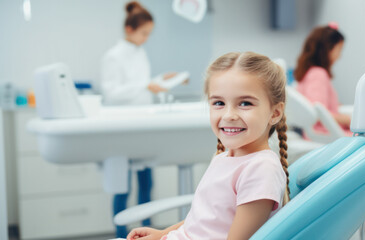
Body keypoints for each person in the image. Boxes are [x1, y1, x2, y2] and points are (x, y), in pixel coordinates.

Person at [127, 52, 290, 240]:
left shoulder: (261, 169)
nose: (229, 115)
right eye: (219, 103)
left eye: (245, 103)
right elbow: (204, 220)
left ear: (275, 113)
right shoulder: (224, 158)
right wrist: (164, 233)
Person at [100, 1, 176, 238]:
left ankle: (147, 232)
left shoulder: (140, 52)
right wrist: (145, 84)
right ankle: (121, 234)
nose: (146, 38)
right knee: (122, 187)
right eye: (144, 33)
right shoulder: (113, 56)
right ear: (129, 30)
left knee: (146, 184)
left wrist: (161, 81)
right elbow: (112, 92)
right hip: (122, 127)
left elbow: (140, 86)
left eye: (149, 34)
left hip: (144, 124)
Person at [294, 22, 352, 136]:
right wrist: (350, 120)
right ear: (327, 49)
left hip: (321, 133)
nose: (340, 56)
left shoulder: (310, 73)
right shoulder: (318, 74)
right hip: (324, 134)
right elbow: (319, 113)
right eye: (339, 49)